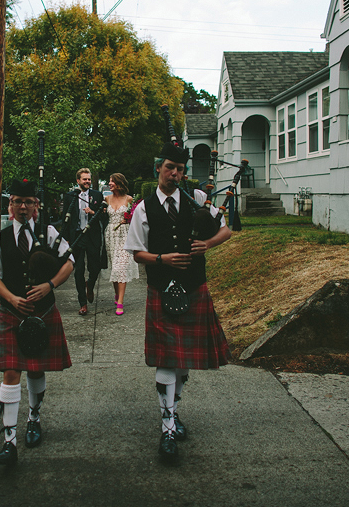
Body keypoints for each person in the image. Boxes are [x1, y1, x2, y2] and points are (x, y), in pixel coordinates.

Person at [123, 142, 233, 464]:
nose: (175, 173)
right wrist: (162, 258)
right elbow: (135, 252)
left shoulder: (197, 199)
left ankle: (173, 411)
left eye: (180, 169)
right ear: (159, 168)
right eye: (170, 167)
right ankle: (167, 427)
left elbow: (226, 231)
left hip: (193, 287)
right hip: (162, 288)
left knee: (182, 362)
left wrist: (207, 244)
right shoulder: (143, 208)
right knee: (167, 360)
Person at [0, 179, 74, 466]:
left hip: (43, 312)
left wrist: (50, 285)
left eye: (29, 202)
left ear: (36, 206)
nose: (23, 206)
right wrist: (11, 298)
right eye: (17, 201)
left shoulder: (49, 233)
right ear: (10, 205)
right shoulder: (1, 237)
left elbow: (69, 263)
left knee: (35, 371)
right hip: (12, 313)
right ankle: (9, 441)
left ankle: (34, 418)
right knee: (11, 372)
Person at [61, 168, 106, 316]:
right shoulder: (70, 196)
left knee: (95, 267)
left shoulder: (97, 196)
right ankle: (83, 303)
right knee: (78, 270)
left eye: (89, 179)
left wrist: (93, 212)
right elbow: (65, 220)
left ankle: (90, 284)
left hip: (92, 236)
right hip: (77, 237)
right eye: (84, 179)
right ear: (78, 181)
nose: (87, 181)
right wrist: (66, 238)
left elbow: (105, 217)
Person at [104, 173, 139, 315]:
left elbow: (136, 217)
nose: (109, 183)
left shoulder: (129, 199)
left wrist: (129, 220)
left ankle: (120, 303)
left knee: (121, 267)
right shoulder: (106, 199)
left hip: (125, 235)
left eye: (112, 181)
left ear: (118, 183)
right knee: (114, 267)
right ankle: (117, 294)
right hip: (111, 235)